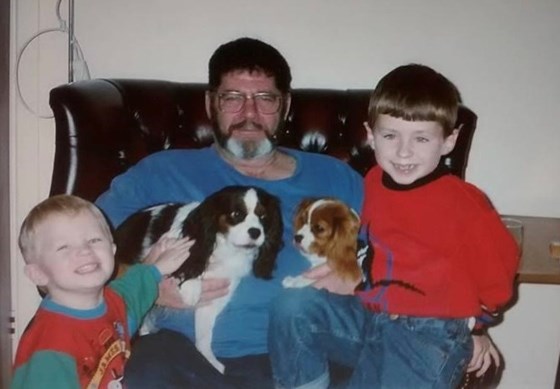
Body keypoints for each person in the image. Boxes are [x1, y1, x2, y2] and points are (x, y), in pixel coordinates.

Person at [94, 37, 363, 389]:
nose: (249, 114)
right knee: (147, 372)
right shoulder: (159, 173)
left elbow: (406, 252)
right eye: (232, 98)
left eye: (265, 99)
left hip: (304, 356)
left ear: (285, 105)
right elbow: (69, 255)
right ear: (210, 103)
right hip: (183, 355)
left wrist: (362, 280)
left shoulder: (335, 177)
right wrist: (145, 288)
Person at [268, 64, 519, 389]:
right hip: (373, 319)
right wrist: (348, 274)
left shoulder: (465, 203)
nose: (403, 152)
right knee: (293, 306)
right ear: (371, 135)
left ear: (448, 140)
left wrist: (476, 328)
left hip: (429, 334)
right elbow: (378, 251)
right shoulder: (372, 182)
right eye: (390, 135)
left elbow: (499, 274)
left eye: (422, 138)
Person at [11, 194, 194, 389]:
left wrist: (156, 268)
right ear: (38, 274)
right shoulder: (51, 350)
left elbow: (132, 291)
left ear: (113, 249)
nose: (84, 250)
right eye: (63, 247)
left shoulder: (111, 301)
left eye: (94, 240)